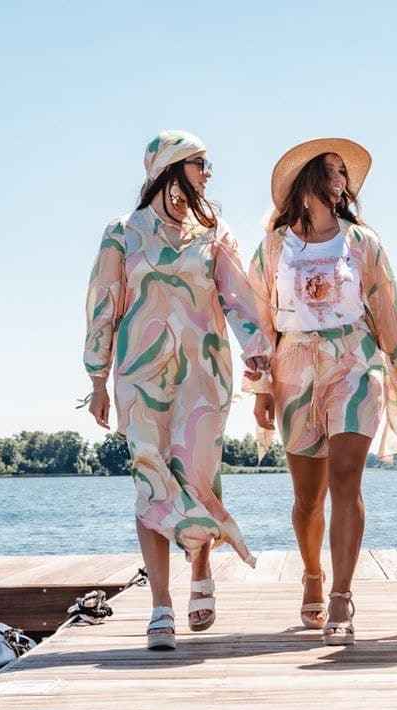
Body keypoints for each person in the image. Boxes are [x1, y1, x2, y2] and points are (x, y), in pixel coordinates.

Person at [82, 130, 271, 650]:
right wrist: (96, 378)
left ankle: (202, 564)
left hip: (204, 374)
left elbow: (238, 298)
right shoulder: (122, 233)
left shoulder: (213, 232)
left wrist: (258, 354)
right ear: (170, 167)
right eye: (200, 163)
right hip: (140, 376)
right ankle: (160, 605)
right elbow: (103, 304)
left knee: (198, 474)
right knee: (151, 478)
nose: (209, 173)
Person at [246, 138, 397, 645]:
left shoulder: (362, 242)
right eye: (332, 171)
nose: (342, 181)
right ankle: (313, 574)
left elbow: (386, 305)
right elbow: (259, 319)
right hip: (294, 367)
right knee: (307, 498)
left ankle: (342, 595)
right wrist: (261, 387)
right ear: (308, 181)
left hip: (355, 362)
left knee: (346, 480)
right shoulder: (274, 247)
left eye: (344, 173)